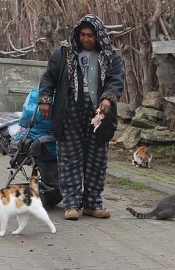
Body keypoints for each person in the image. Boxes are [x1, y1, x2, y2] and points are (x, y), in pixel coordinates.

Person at [38, 14, 125, 220]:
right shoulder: (64, 53)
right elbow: (48, 77)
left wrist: (108, 99)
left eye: (90, 35)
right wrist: (45, 99)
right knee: (70, 158)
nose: (86, 39)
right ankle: (71, 204)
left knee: (97, 159)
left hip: (99, 115)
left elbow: (116, 79)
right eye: (83, 35)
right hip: (70, 112)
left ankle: (92, 204)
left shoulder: (111, 56)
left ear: (98, 37)